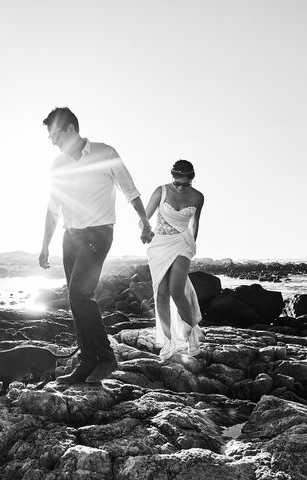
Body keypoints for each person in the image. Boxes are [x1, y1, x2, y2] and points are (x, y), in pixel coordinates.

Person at [38, 107, 153, 383]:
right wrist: (44, 246)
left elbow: (130, 190)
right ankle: (87, 362)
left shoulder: (105, 153)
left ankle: (106, 358)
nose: (52, 141)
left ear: (70, 129)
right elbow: (53, 209)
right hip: (70, 237)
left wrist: (145, 223)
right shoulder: (58, 165)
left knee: (79, 293)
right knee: (75, 299)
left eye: (55, 134)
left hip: (98, 235)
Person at [143, 160, 205, 360]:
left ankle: (191, 334)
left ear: (192, 180)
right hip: (159, 245)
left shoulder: (198, 197)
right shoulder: (160, 191)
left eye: (185, 184)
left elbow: (195, 223)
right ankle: (169, 341)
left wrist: (192, 245)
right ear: (172, 177)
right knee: (161, 294)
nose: (180, 187)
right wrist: (145, 229)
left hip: (183, 243)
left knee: (176, 290)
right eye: (177, 183)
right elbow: (144, 217)